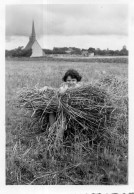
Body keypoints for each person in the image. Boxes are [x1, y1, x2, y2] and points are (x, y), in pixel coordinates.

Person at [40, 69, 82, 141]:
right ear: (65, 80)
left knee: (63, 118)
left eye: (73, 80)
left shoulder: (79, 88)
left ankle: (59, 138)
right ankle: (52, 129)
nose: (71, 82)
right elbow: (58, 92)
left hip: (70, 109)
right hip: (61, 106)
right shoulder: (64, 87)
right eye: (68, 80)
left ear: (77, 80)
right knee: (51, 111)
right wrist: (46, 87)